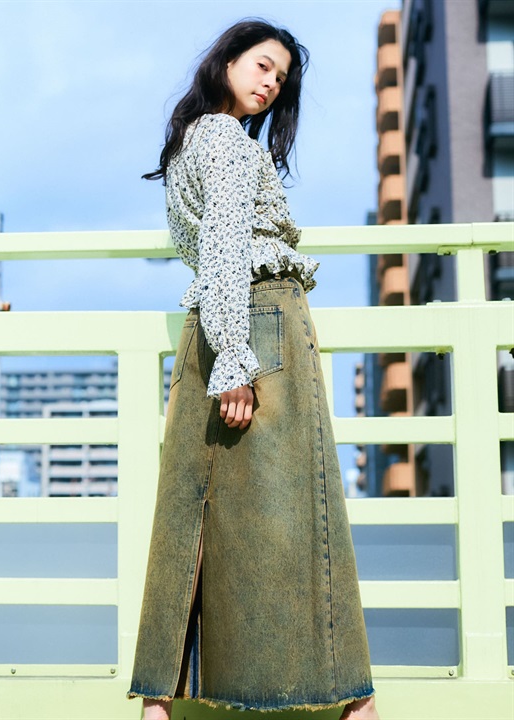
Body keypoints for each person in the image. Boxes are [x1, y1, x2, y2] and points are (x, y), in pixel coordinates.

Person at [126, 18, 380, 720]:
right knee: (305, 513)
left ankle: (158, 702)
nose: (270, 84)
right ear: (228, 60)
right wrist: (236, 362)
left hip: (212, 325)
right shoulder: (229, 144)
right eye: (262, 65)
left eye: (281, 79)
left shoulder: (189, 141)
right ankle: (355, 703)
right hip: (255, 318)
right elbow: (228, 248)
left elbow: (210, 253)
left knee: (189, 511)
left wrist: (222, 351)